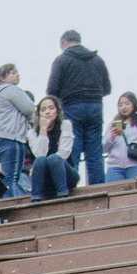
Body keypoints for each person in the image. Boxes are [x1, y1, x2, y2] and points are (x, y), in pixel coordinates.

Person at [43, 30, 111, 186]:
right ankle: (98, 187)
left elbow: (51, 90)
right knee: (94, 151)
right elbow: (107, 88)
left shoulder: (61, 60)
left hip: (71, 107)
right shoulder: (97, 60)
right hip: (95, 107)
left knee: (72, 149)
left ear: (64, 43)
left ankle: (71, 187)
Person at [0, 65, 35, 198]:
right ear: (2, 77)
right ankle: (14, 214)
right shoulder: (12, 90)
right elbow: (29, 108)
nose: (17, 75)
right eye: (13, 73)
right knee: (11, 179)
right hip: (10, 139)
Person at [27, 96, 78, 201]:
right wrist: (43, 130)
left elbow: (64, 153)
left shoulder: (65, 125)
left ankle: (63, 196)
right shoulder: (32, 133)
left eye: (51, 108)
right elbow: (40, 154)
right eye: (43, 109)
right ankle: (36, 199)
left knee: (53, 158)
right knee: (40, 160)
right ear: (39, 114)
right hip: (46, 179)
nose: (47, 112)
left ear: (57, 111)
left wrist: (50, 161)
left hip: (65, 174)